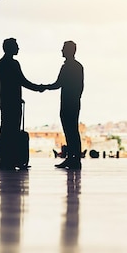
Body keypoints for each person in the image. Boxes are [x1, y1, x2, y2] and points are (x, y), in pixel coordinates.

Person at [0, 38, 42, 171]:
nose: (18, 48)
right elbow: (22, 81)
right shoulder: (12, 63)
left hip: (5, 102)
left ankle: (5, 158)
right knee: (12, 130)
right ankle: (11, 158)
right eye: (16, 46)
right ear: (10, 48)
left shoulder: (1, 63)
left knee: (5, 129)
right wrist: (39, 88)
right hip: (13, 102)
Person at [41, 41, 84, 170]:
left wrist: (44, 87)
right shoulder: (78, 66)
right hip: (74, 102)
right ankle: (74, 158)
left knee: (69, 131)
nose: (61, 50)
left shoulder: (67, 67)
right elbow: (81, 86)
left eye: (64, 49)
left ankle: (72, 159)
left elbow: (58, 84)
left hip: (67, 102)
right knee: (73, 131)